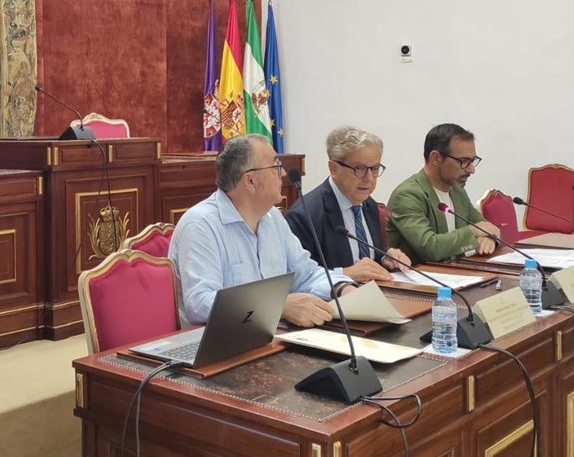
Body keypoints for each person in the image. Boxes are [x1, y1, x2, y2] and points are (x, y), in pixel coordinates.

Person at [169, 134, 339, 327]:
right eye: (276, 167)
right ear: (249, 181)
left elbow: (307, 275)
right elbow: (200, 304)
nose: (283, 173)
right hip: (220, 340)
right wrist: (277, 306)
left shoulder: (272, 217)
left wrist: (342, 288)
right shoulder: (200, 225)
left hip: (271, 334)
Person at [286, 125, 412, 282]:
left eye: (374, 169)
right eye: (359, 169)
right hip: (334, 296)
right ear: (333, 168)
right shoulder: (304, 216)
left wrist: (385, 257)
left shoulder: (369, 205)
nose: (369, 179)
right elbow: (298, 278)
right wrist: (344, 274)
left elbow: (366, 258)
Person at [386, 123, 499, 264]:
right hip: (420, 275)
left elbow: (486, 226)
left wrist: (489, 238)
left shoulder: (457, 191)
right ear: (436, 158)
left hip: (456, 272)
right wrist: (474, 232)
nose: (471, 169)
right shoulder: (408, 195)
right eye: (464, 161)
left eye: (473, 161)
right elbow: (430, 248)